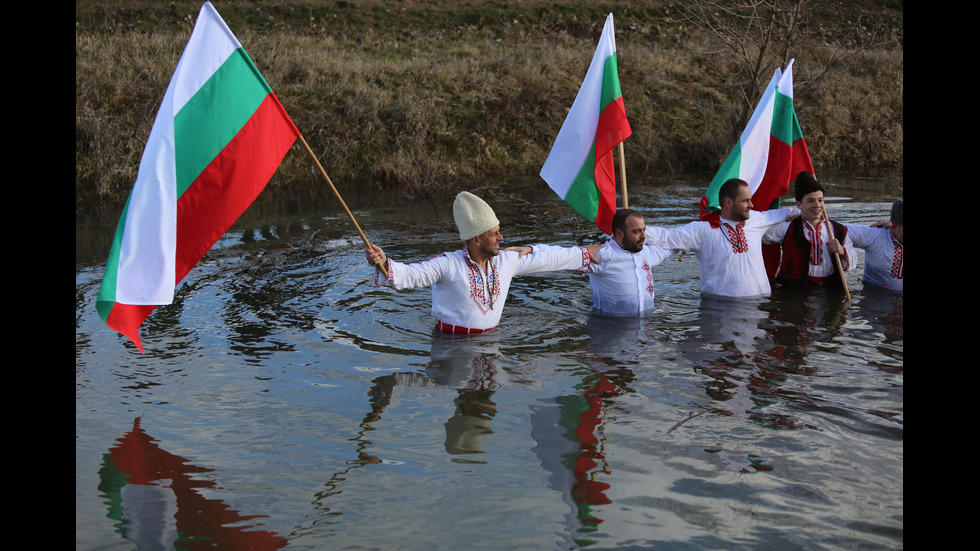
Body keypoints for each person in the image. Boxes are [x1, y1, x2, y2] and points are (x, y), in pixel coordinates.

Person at [366, 191, 601, 333]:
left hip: (491, 344)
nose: (501, 238)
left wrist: (583, 252)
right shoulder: (448, 264)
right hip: (450, 347)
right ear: (476, 240)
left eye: (499, 231)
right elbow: (411, 275)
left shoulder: (506, 262)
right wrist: (384, 261)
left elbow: (546, 259)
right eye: (494, 234)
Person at [644, 178, 800, 299]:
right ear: (728, 202)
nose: (751, 205)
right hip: (720, 308)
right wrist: (635, 229)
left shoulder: (756, 219)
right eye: (745, 200)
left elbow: (785, 214)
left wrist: (809, 212)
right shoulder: (703, 229)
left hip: (759, 305)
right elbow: (667, 236)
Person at [762, 172, 856, 289]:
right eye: (810, 201)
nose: (817, 205)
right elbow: (758, 234)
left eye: (820, 200)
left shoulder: (837, 229)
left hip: (829, 290)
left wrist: (842, 251)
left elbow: (853, 258)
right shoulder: (787, 227)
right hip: (794, 291)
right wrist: (786, 215)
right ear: (799, 204)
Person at [586, 209, 675, 316]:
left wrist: (686, 244)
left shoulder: (646, 252)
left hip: (647, 324)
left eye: (644, 230)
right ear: (619, 233)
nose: (644, 236)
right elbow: (567, 259)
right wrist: (582, 252)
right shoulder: (602, 255)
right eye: (637, 231)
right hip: (610, 326)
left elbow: (672, 247)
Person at [844, 199, 903, 292]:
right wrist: (843, 251)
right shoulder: (876, 236)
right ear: (894, 227)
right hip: (874, 296)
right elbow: (837, 230)